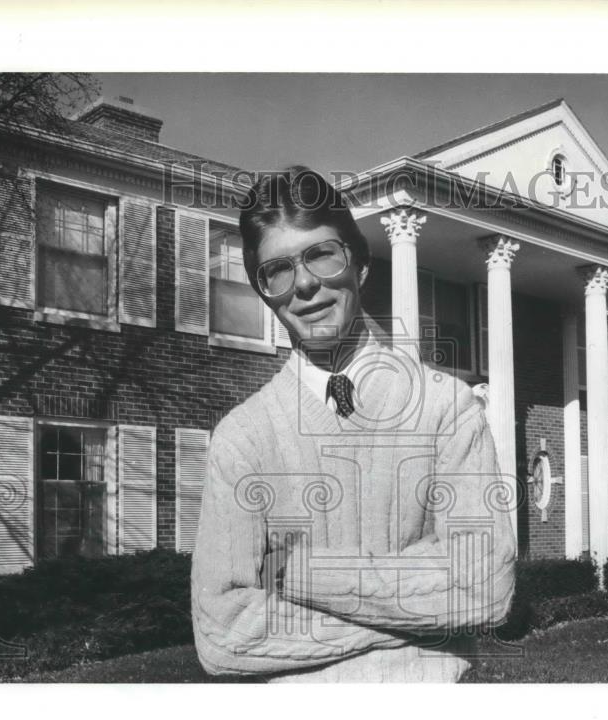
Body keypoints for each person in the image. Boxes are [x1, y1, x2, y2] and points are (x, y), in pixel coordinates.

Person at [191, 167, 516, 682]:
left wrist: (299, 574)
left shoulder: (446, 408)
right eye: (277, 270)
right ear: (264, 292)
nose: (304, 284)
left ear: (360, 265)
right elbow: (221, 633)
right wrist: (427, 613)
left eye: (322, 254)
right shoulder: (243, 437)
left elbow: (487, 585)